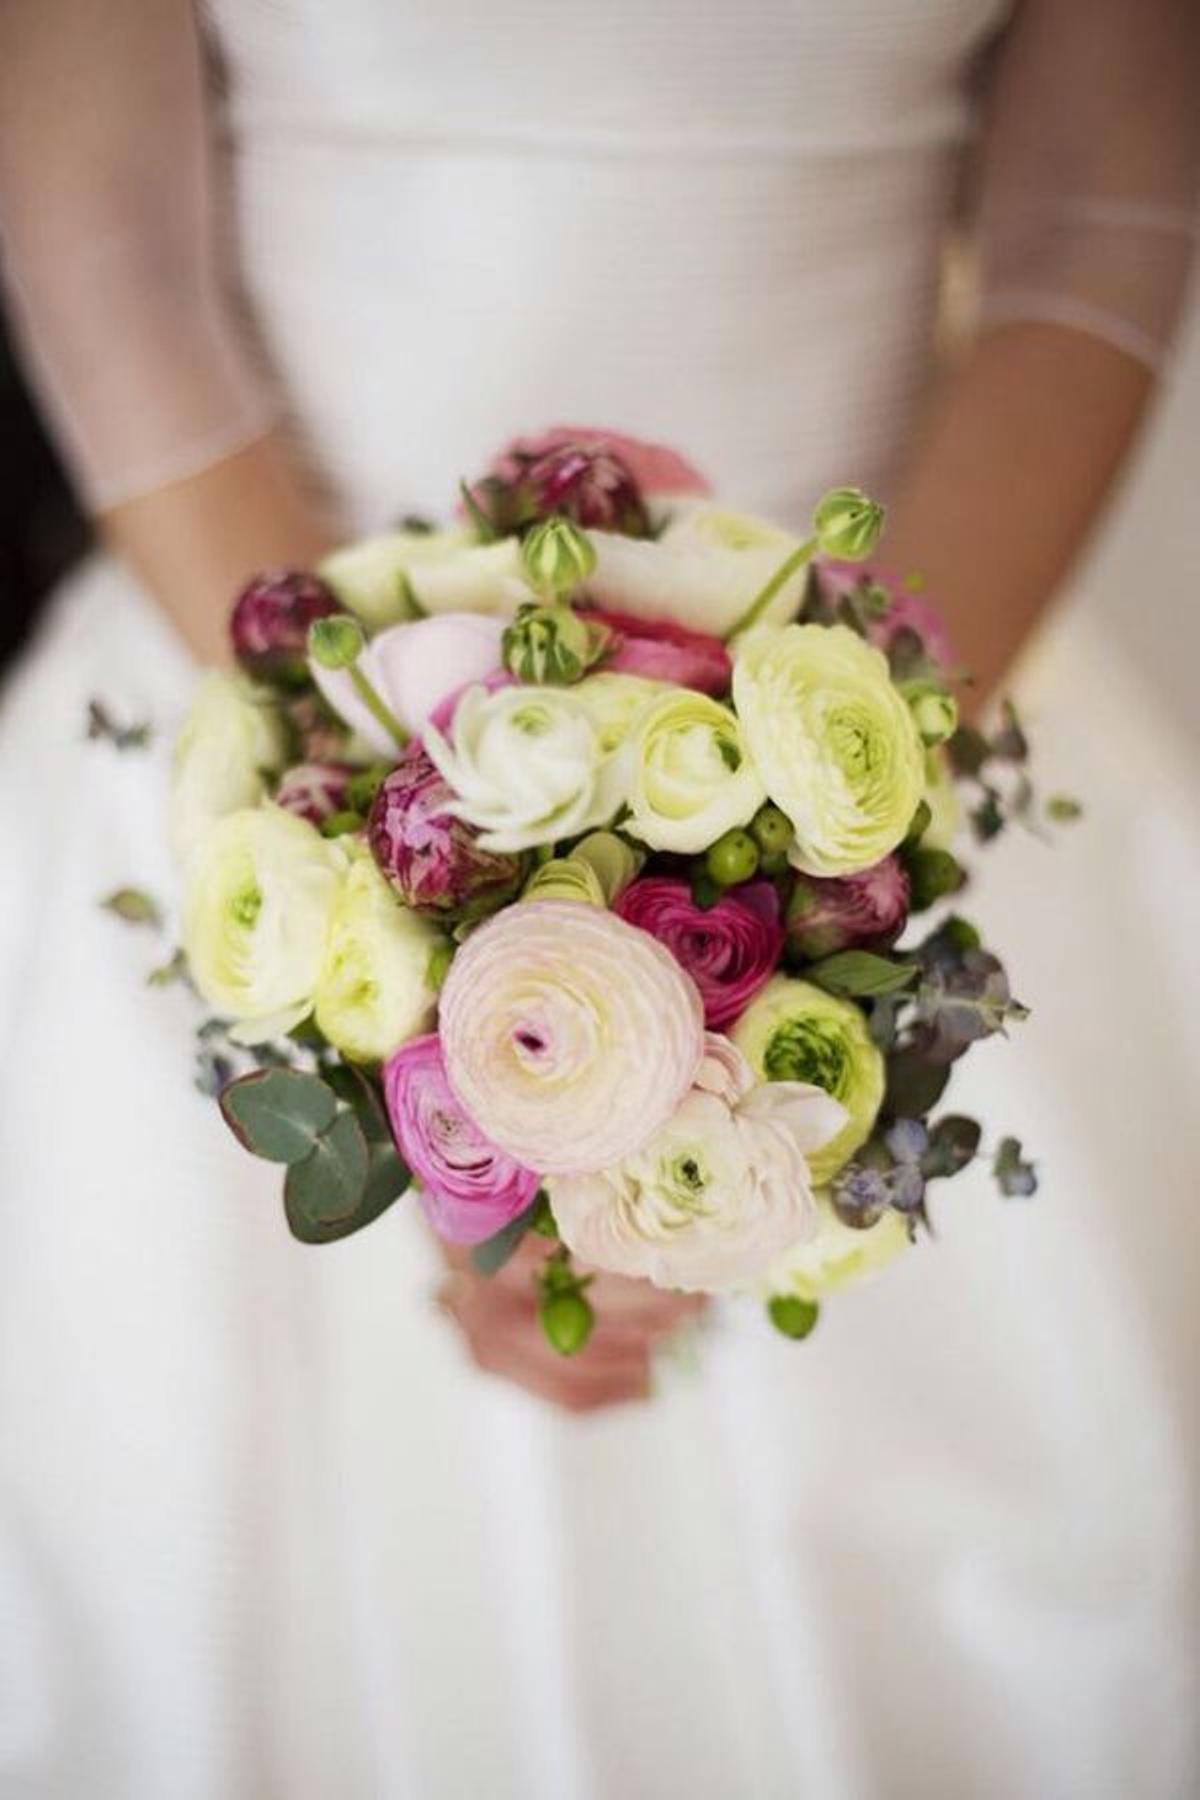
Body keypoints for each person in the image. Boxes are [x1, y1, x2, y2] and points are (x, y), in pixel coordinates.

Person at [0, 3, 1197, 1795]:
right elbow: (103, 248)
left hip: (904, 690)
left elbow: (1097, 218)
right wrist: (404, 914)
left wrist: (818, 861)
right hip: (257, 664)